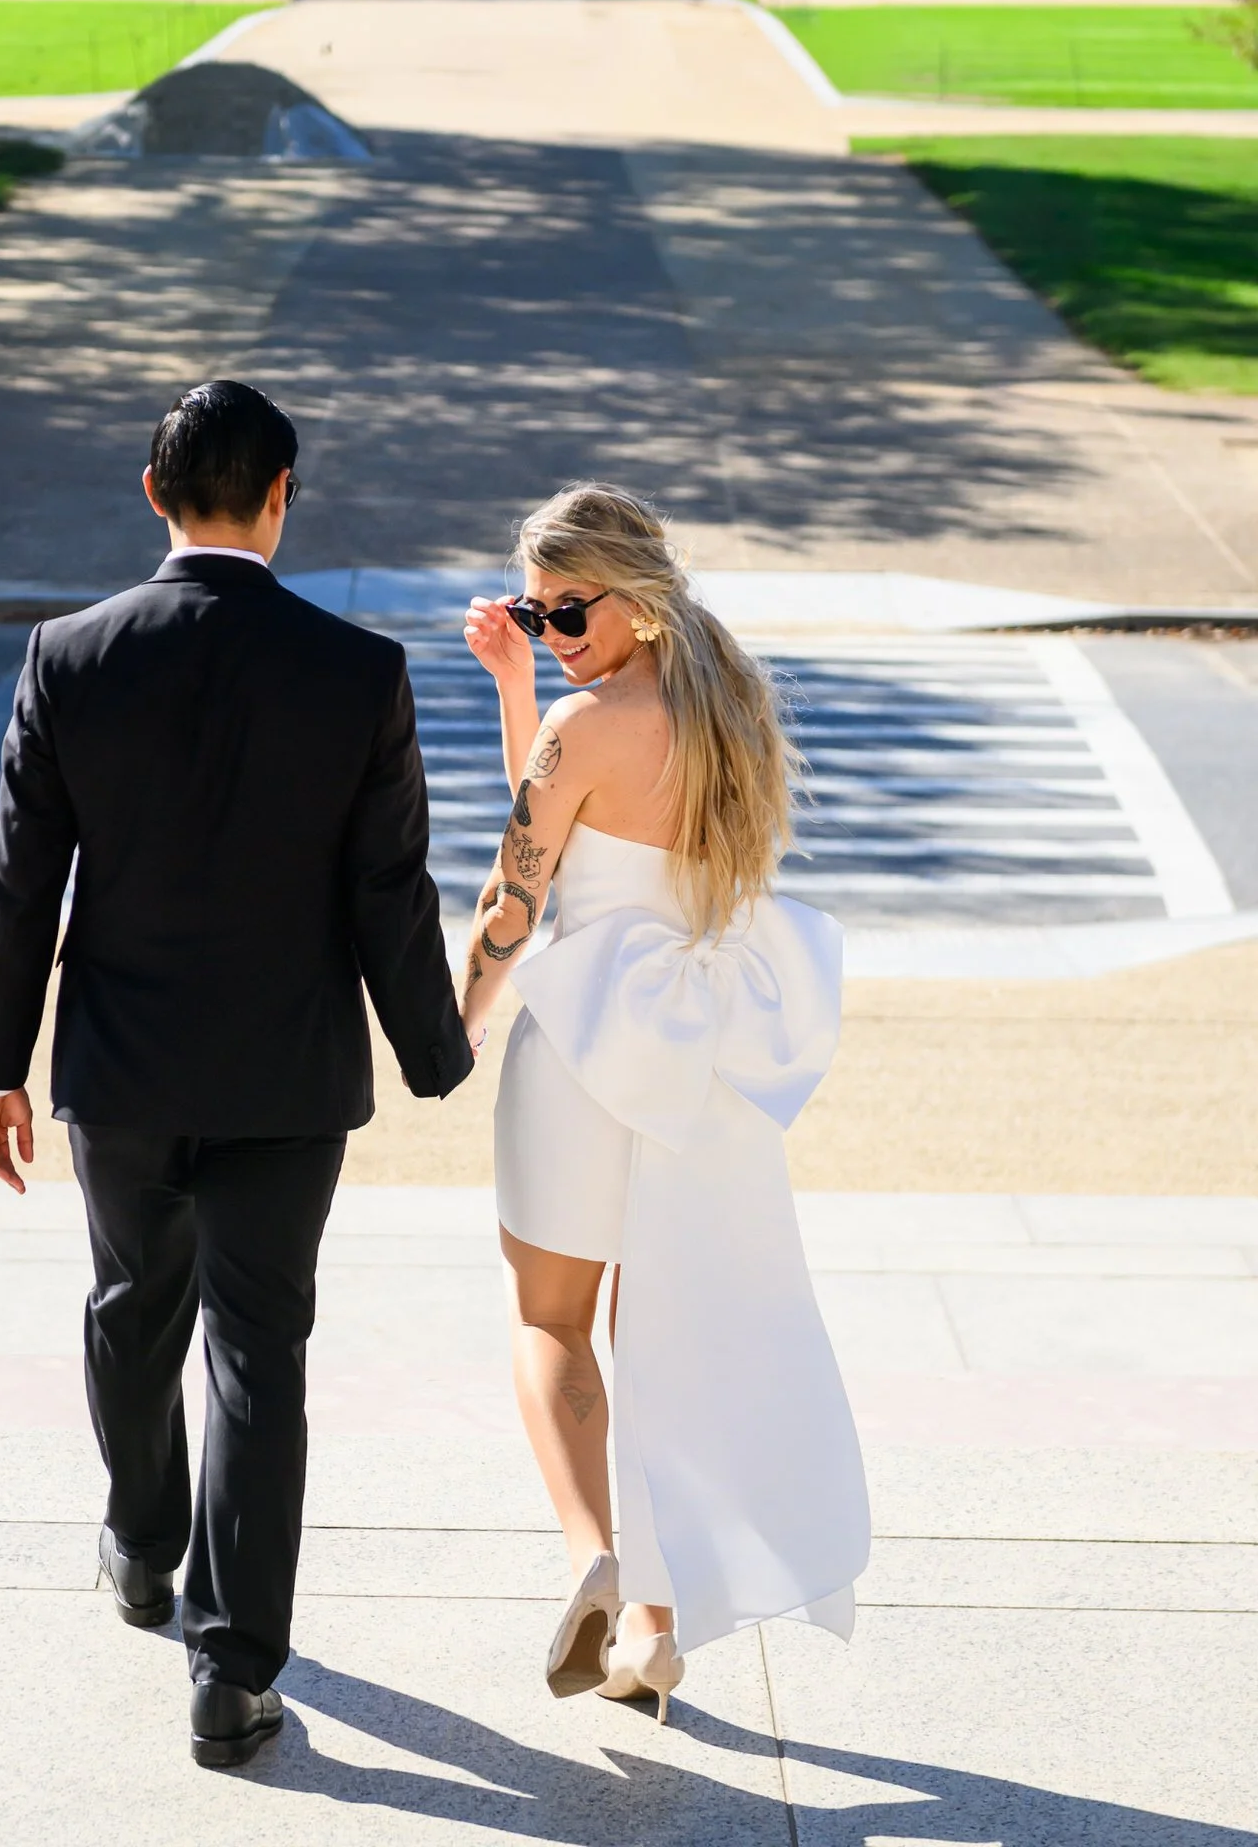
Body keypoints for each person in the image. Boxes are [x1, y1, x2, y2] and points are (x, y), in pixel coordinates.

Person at [0, 381, 474, 1768]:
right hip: (288, 1079)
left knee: (132, 1307)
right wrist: (438, 1050)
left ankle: (142, 1548)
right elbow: (390, 891)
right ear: (283, 495)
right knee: (259, 1359)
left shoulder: (70, 654)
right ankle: (232, 1672)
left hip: (121, 1070)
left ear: (152, 493)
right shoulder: (357, 671)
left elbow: (23, 887)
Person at [459, 484, 868, 1718]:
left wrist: (458, 1022)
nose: (554, 632)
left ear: (634, 599)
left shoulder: (583, 732)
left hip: (582, 1052)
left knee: (551, 1327)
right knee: (659, 1337)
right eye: (537, 616)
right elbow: (593, 836)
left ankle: (598, 1552)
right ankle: (651, 1627)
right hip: (692, 1062)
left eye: (568, 611)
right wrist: (518, 690)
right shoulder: (735, 713)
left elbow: (519, 898)